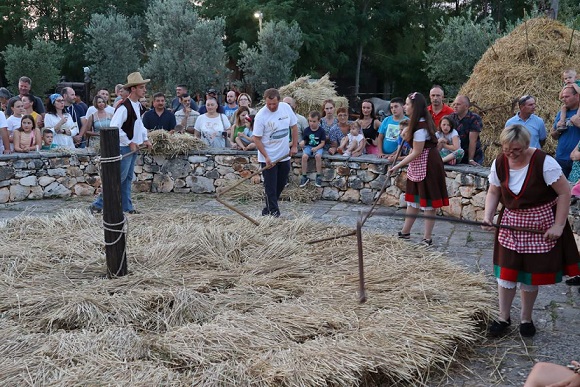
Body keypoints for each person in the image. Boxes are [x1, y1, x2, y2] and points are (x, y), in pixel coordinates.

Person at [482, 125, 580, 338]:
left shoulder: (544, 163)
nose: (511, 153)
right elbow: (493, 191)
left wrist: (559, 225)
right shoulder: (499, 162)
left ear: (527, 145)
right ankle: (503, 317)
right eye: (507, 149)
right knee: (506, 274)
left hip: (540, 224)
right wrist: (488, 216)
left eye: (516, 149)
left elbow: (564, 192)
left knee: (529, 277)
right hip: (511, 224)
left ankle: (526, 319)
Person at [388, 92, 449, 246]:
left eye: (407, 104)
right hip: (419, 164)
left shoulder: (421, 127)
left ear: (414, 107)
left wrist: (397, 166)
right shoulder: (416, 124)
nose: (405, 107)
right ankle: (405, 231)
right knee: (413, 200)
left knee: (428, 203)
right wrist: (405, 133)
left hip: (428, 165)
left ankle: (427, 238)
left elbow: (416, 152)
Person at [90, 72, 153, 215]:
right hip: (124, 148)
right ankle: (98, 204)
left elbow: (139, 125)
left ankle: (126, 207)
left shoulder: (136, 105)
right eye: (142, 87)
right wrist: (129, 141)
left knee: (127, 178)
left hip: (130, 146)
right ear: (133, 89)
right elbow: (114, 127)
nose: (145, 90)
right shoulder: (124, 107)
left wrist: (145, 138)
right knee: (119, 178)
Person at [253, 88, 298, 217]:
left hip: (283, 155)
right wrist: (266, 157)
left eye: (274, 104)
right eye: (269, 104)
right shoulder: (261, 116)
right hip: (268, 157)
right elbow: (256, 138)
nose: (272, 107)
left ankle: (267, 209)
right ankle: (274, 213)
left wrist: (294, 146)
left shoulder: (286, 108)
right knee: (270, 187)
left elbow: (294, 127)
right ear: (265, 101)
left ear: (279, 100)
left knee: (281, 183)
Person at [551, 85, 580, 178]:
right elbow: (553, 136)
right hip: (561, 157)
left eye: (567, 97)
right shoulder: (561, 113)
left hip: (577, 159)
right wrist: (558, 130)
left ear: (577, 96)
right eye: (563, 97)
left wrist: (578, 123)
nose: (564, 99)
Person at [450, 95, 484, 165]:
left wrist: (470, 159)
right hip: (456, 154)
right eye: (454, 104)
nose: (455, 106)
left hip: (473, 155)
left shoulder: (474, 118)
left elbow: (473, 141)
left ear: (466, 106)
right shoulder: (451, 118)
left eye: (458, 104)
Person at [299, 111, 326, 188]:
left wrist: (316, 148)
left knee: (318, 156)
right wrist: (302, 143)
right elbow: (305, 140)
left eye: (314, 121)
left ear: (318, 121)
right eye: (310, 121)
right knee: (304, 157)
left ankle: (318, 175)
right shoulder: (307, 130)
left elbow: (322, 143)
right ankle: (304, 176)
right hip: (308, 146)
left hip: (318, 146)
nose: (312, 123)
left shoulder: (321, 131)